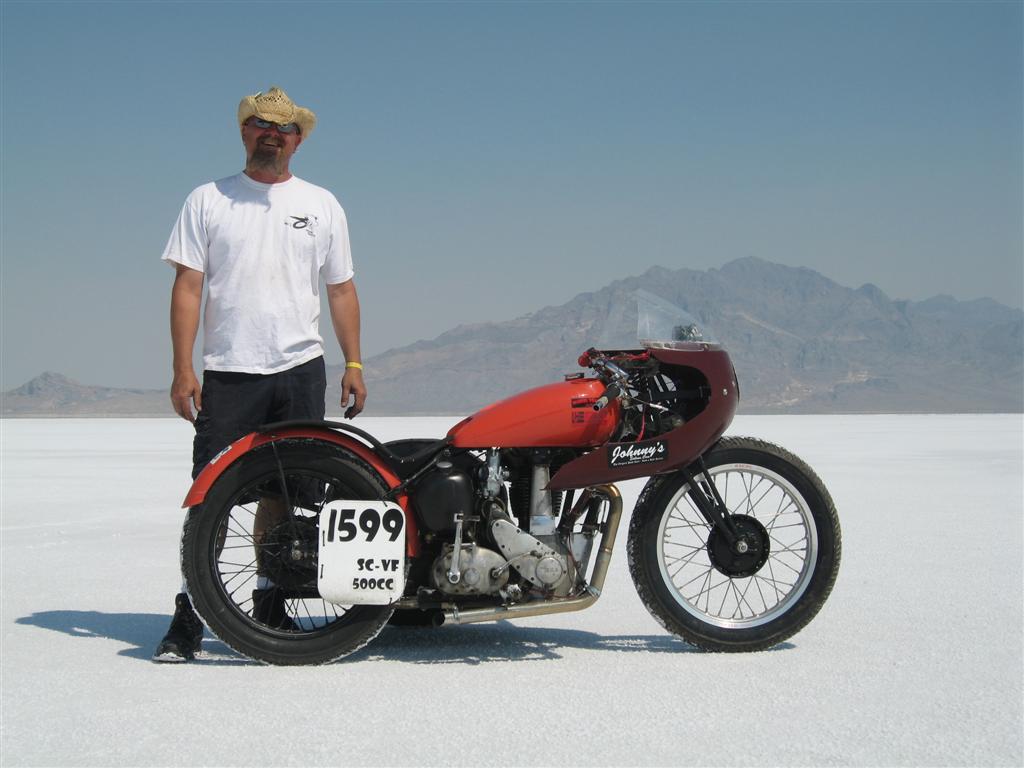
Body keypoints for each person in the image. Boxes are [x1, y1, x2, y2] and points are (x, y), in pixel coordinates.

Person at [153, 86, 367, 662]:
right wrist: (182, 368)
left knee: (288, 491)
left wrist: (352, 361)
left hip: (299, 369)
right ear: (244, 131)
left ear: (298, 139)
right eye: (260, 124)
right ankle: (191, 612)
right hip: (230, 371)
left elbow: (341, 288)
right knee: (211, 494)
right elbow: (188, 287)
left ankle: (271, 601)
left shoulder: (321, 203)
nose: (272, 134)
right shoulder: (208, 200)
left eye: (284, 128)